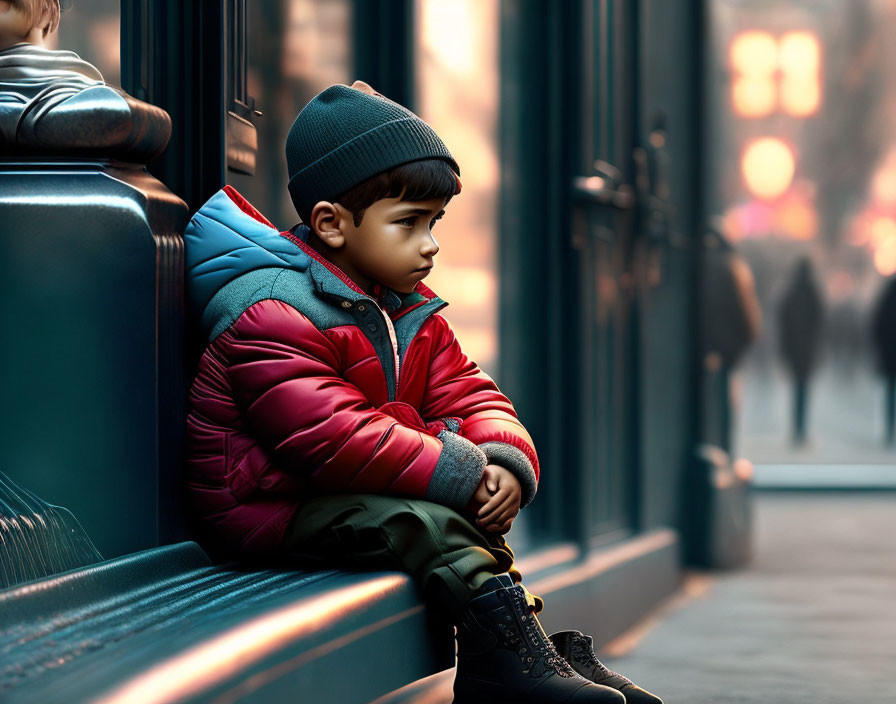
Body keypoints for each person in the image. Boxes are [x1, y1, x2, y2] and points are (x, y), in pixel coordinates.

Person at [184, 83, 662, 703]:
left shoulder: (406, 311)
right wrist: (458, 469)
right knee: (425, 520)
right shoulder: (271, 312)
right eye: (408, 223)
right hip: (264, 507)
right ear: (332, 224)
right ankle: (511, 669)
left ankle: (527, 653)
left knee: (455, 515)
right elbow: (333, 437)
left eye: (433, 222)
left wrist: (502, 461)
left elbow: (471, 393)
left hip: (334, 496)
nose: (429, 243)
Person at [777, 257, 824, 446]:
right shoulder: (813, 293)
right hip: (807, 350)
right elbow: (820, 322)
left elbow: (783, 323)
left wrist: (785, 348)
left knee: (796, 389)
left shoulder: (790, 294)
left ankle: (796, 428)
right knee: (803, 390)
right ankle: (801, 429)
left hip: (794, 350)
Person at [871, 276, 896, 445]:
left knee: (890, 393)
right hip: (889, 353)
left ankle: (889, 430)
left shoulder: (887, 297)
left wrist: (882, 349)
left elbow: (877, 325)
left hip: (889, 355)